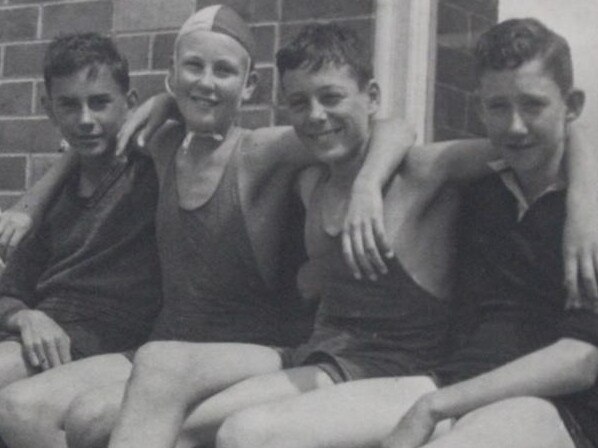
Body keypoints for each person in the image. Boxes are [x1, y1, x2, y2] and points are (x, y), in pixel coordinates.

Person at [101, 21, 598, 448]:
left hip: (458, 385)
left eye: (332, 98)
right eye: (300, 102)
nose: (514, 126)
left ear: (372, 97)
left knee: (245, 432)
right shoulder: (312, 180)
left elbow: (428, 135)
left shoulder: (438, 174)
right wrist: (172, 98)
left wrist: (584, 200)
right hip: (387, 367)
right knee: (183, 407)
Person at [0, 6, 413, 448]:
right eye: (194, 67)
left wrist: (369, 184)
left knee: (94, 417)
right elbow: (81, 143)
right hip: (161, 346)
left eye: (224, 71)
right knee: (37, 409)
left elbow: (386, 127)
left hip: (245, 350)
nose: (207, 81)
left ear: (249, 85)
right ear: (171, 75)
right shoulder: (161, 145)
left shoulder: (263, 151)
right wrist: (29, 206)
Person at [0, 32, 162, 389]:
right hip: (43, 337)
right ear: (49, 109)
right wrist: (25, 317)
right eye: (70, 105)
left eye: (100, 102)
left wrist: (164, 102)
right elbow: (9, 290)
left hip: (114, 347)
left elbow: (196, 114)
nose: (85, 120)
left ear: (130, 102)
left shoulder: (152, 173)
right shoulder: (52, 197)